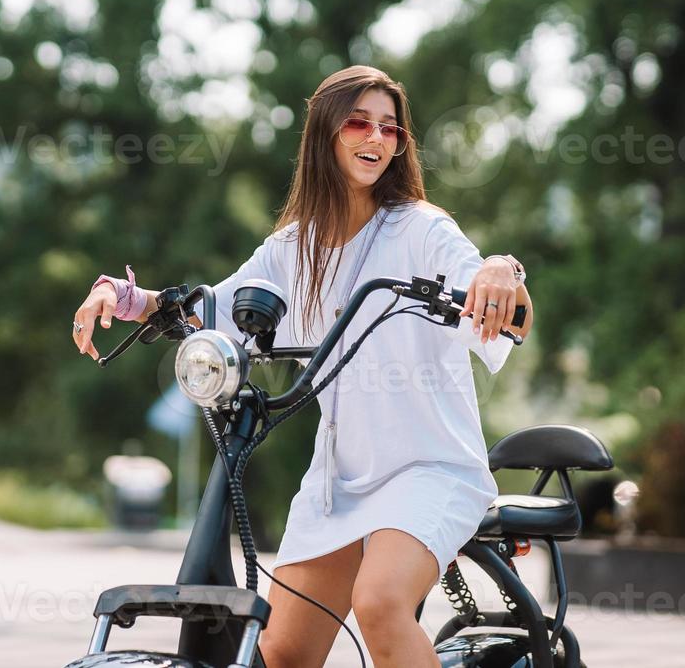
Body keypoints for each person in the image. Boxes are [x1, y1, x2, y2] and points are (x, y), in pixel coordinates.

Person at [71, 65, 534, 668]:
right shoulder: (294, 248)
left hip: (431, 468)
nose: (376, 139)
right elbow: (215, 308)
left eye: (390, 129)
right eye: (358, 123)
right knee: (283, 651)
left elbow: (507, 309)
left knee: (380, 604)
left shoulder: (423, 229)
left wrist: (503, 270)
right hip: (337, 479)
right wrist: (126, 298)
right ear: (325, 134)